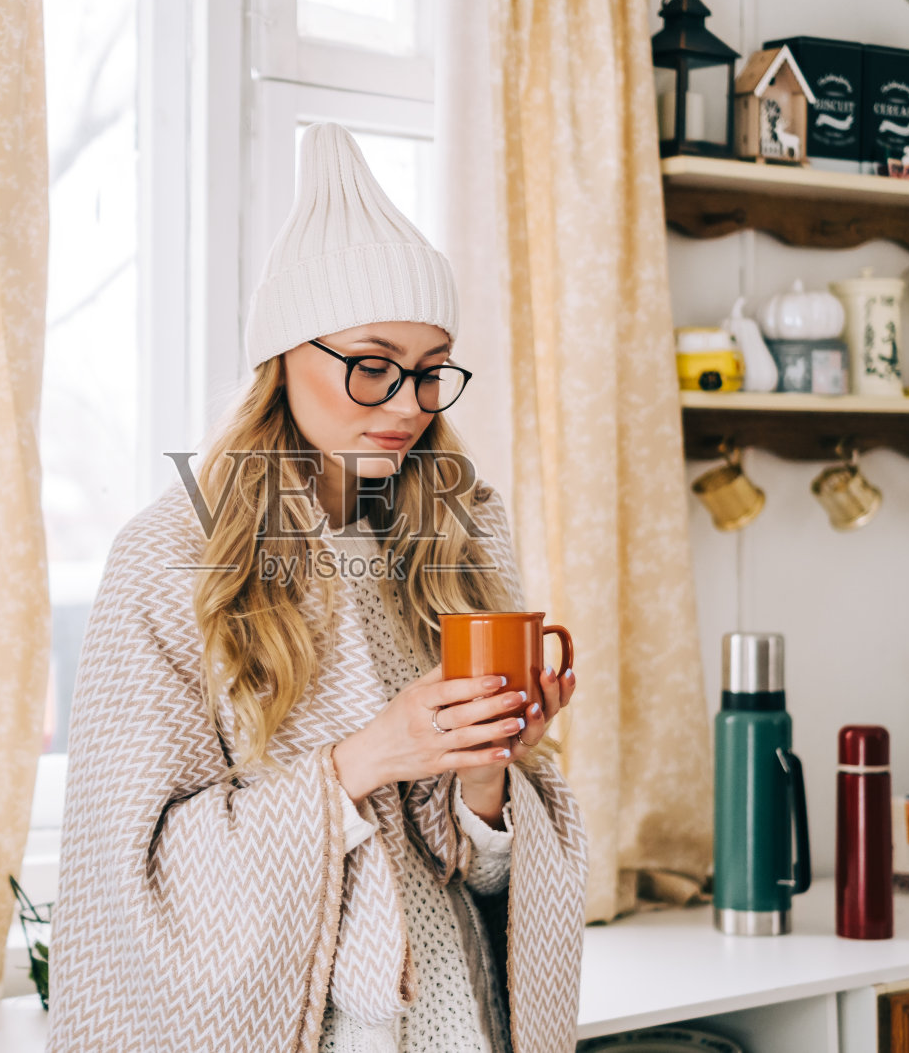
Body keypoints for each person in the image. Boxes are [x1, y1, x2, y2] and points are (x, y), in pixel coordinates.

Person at [47, 122, 588, 1053]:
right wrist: (366, 758)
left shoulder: (456, 535)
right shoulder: (173, 558)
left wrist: (485, 762)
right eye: (371, 365)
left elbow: (485, 876)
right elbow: (129, 884)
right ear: (285, 355)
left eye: (428, 373)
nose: (407, 405)